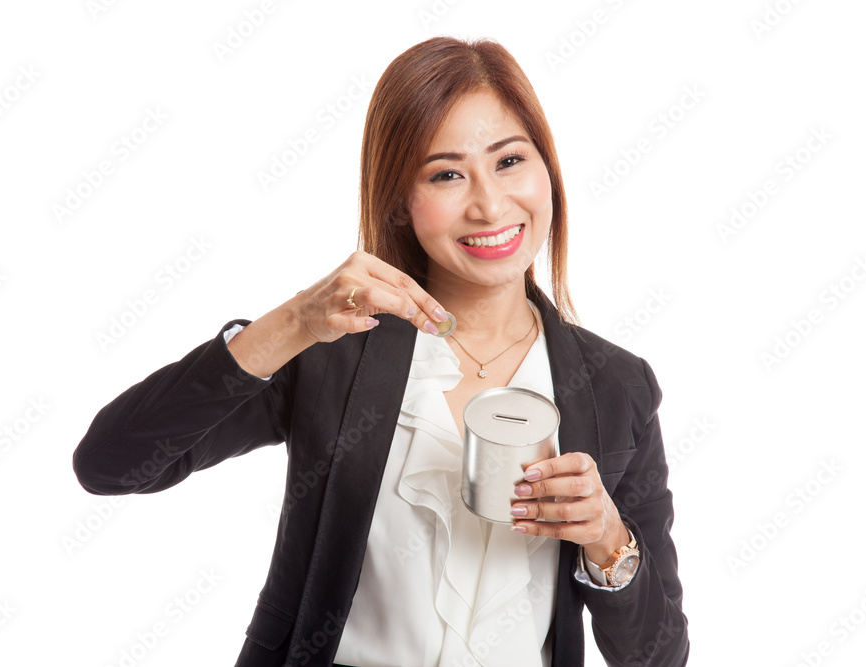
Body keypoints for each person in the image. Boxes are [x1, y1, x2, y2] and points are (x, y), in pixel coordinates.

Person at [72, 36, 689, 667]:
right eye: (447, 174)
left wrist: (606, 537)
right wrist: (293, 321)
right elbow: (112, 465)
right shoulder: (334, 349)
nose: (489, 204)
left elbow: (660, 656)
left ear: (547, 169)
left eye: (509, 161)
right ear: (400, 203)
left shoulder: (616, 385)